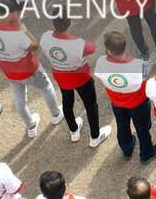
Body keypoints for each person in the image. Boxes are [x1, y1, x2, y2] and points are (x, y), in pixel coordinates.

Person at [0, 0, 64, 138]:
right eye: (17, 11)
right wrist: (23, 28)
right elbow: (34, 45)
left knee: (19, 98)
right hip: (28, 70)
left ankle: (31, 126)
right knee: (46, 87)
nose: (20, 13)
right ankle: (56, 114)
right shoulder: (17, 34)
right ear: (10, 14)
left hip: (8, 71)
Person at [39, 16, 112, 146]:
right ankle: (95, 136)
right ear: (70, 23)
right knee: (91, 106)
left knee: (67, 102)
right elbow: (92, 48)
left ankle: (73, 131)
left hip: (61, 76)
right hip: (81, 78)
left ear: (52, 23)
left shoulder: (45, 37)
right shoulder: (77, 43)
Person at [95, 30, 156, 162]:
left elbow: (99, 74)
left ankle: (127, 149)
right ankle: (146, 153)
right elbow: (140, 81)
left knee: (122, 124)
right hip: (137, 102)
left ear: (109, 51)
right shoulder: (136, 64)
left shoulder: (102, 62)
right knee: (142, 127)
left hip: (116, 101)